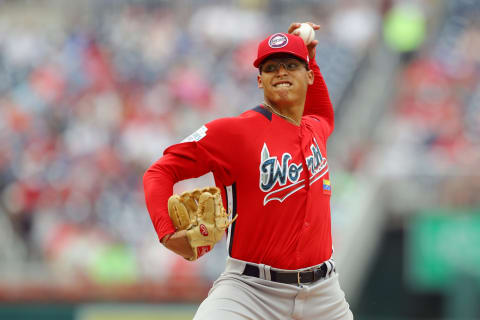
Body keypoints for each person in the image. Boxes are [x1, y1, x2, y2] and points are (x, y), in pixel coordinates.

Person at [143, 22, 354, 320]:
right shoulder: (235, 133)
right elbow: (159, 172)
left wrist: (311, 58)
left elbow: (321, 111)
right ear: (259, 80)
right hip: (251, 291)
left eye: (290, 65)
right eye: (271, 67)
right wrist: (166, 231)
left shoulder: (315, 129)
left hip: (323, 292)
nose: (281, 72)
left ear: (307, 75)